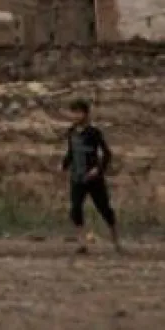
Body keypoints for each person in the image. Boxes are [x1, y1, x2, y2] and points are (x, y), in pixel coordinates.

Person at [62, 98, 120, 253]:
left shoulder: (94, 133)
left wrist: (98, 169)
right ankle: (82, 243)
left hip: (94, 179)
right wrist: (63, 166)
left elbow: (107, 154)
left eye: (78, 112)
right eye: (73, 112)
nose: (75, 116)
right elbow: (71, 153)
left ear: (85, 114)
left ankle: (115, 240)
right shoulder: (71, 132)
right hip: (77, 177)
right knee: (75, 209)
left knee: (104, 208)